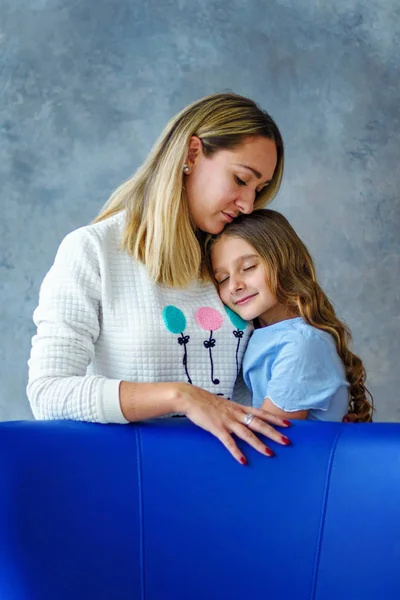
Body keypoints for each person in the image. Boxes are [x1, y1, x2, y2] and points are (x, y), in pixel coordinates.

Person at [27, 92, 292, 465]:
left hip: (236, 481)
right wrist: (181, 396)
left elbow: (290, 351)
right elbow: (48, 393)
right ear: (191, 154)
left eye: (258, 190)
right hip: (129, 484)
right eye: (240, 179)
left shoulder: (237, 264)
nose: (249, 204)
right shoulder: (93, 251)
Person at [209, 209, 374, 422]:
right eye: (222, 279)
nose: (234, 286)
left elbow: (269, 439)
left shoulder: (302, 344)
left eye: (248, 267)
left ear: (285, 261)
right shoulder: (261, 336)